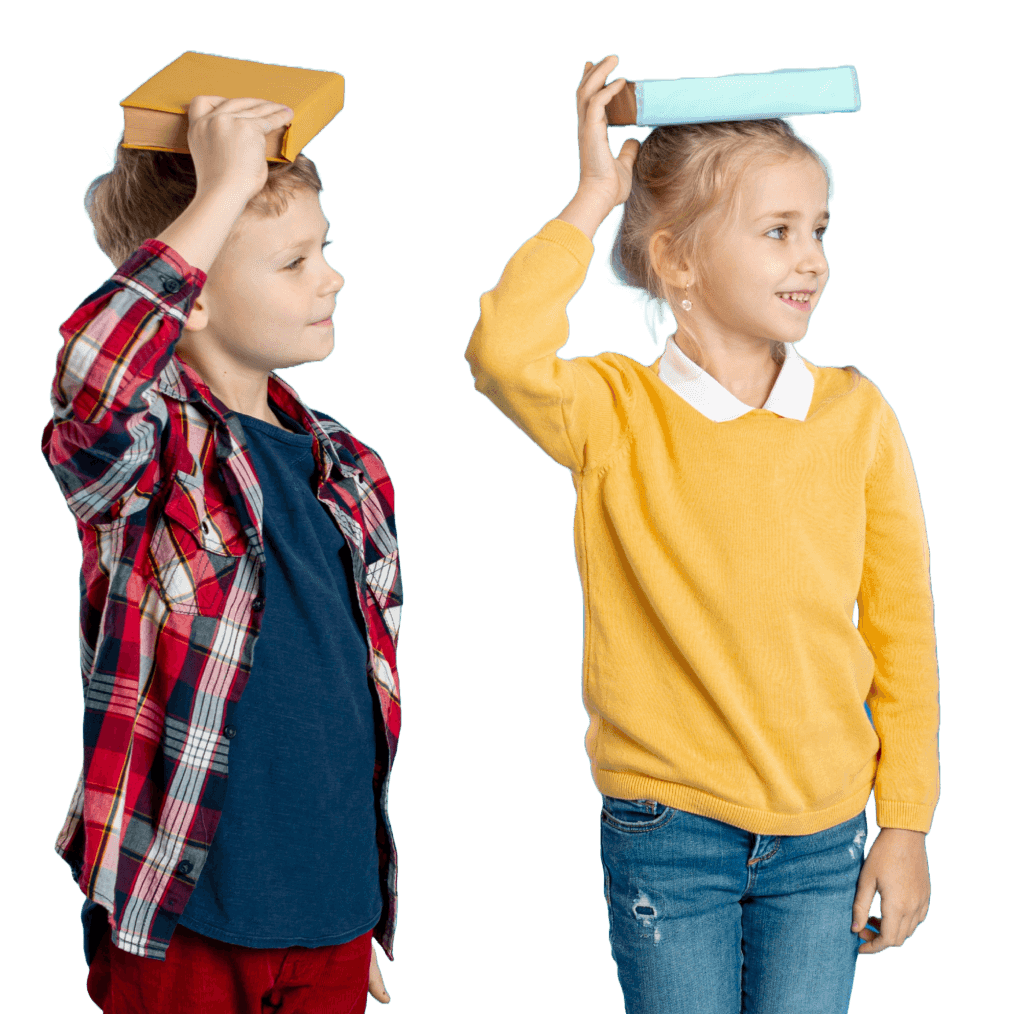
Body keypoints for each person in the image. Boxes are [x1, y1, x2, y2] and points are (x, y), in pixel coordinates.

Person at [463, 56, 938, 1014]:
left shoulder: (857, 415)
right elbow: (501, 353)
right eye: (777, 232)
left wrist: (906, 824)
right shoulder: (612, 408)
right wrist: (595, 196)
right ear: (678, 260)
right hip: (668, 831)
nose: (812, 258)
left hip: (826, 835)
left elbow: (903, 632)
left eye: (818, 231)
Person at [45, 93, 403, 1011]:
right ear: (191, 296)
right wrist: (224, 188)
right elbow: (92, 375)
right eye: (294, 261)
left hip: (331, 917)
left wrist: (353, 914)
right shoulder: (150, 458)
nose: (332, 279)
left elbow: (347, 716)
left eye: (323, 250)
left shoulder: (353, 471)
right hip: (183, 921)